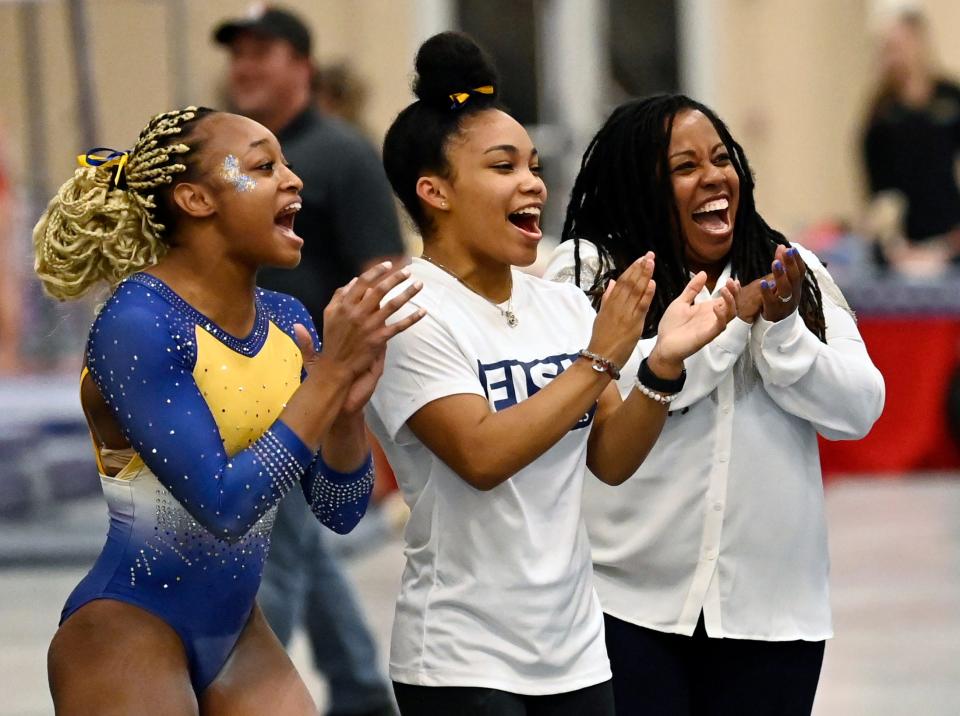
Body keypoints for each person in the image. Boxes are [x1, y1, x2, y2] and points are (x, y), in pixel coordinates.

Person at [367, 33, 738, 716]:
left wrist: (659, 364)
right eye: (503, 166)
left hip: (573, 652)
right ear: (434, 191)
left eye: (534, 167)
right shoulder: (411, 313)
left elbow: (611, 458)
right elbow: (481, 454)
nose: (533, 183)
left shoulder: (561, 304)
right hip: (461, 659)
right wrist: (600, 359)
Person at [33, 106, 423, 713]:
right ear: (195, 199)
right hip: (127, 625)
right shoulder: (138, 322)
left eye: (287, 164)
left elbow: (341, 511)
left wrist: (346, 411)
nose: (294, 180)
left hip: (240, 631)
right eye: (265, 166)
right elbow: (223, 503)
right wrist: (324, 382)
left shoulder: (286, 320)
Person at [545, 93, 885, 715]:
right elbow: (588, 405)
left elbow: (860, 408)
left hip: (773, 615)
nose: (713, 177)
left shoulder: (790, 269)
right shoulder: (591, 270)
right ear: (641, 182)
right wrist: (727, 328)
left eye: (722, 158)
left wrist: (782, 333)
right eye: (684, 167)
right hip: (623, 604)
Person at [214, 8, 405, 715]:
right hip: (234, 380)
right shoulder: (227, 157)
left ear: (303, 66)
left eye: (263, 54)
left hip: (304, 389)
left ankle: (256, 697)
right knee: (306, 552)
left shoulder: (340, 155)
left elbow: (383, 269)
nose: (246, 68)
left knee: (274, 564)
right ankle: (360, 692)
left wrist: (350, 383)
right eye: (239, 56)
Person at [862, 8, 960, 269]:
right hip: (902, 241)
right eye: (888, 49)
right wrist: (890, 240)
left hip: (950, 233)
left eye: (900, 45)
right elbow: (876, 190)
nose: (896, 56)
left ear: (919, 42)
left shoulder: (950, 97)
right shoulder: (881, 111)